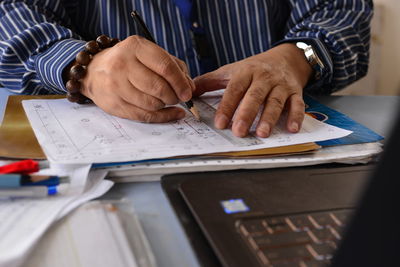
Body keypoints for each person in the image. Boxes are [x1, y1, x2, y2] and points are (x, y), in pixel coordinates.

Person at [0, 0, 373, 138]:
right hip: (113, 165)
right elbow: (11, 15)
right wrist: (86, 65)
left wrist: (296, 57)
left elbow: (342, 10)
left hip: (284, 144)